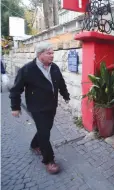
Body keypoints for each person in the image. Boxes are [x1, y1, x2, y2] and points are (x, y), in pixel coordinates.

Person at [9, 42, 70, 174]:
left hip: (51, 105)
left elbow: (61, 83)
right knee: (45, 133)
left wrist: (65, 95)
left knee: (45, 128)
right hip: (37, 107)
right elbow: (15, 90)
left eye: (52, 53)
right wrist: (15, 107)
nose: (52, 55)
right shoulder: (27, 69)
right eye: (49, 53)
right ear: (40, 54)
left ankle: (34, 144)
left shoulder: (54, 68)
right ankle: (49, 160)